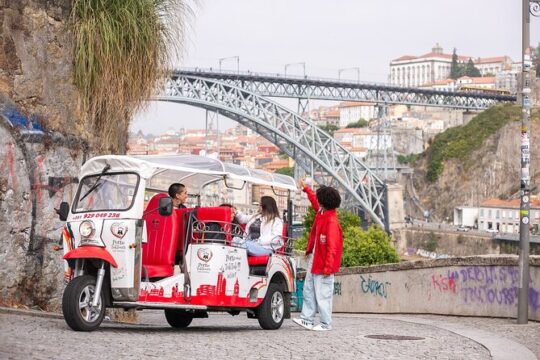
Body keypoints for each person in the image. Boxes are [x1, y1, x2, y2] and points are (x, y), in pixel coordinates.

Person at [292, 179, 343, 331]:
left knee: (323, 294)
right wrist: (306, 189)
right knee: (309, 289)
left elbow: (332, 248)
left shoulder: (331, 221)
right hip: (315, 259)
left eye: (320, 199)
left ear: (324, 202)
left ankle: (326, 324)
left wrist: (328, 268)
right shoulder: (322, 213)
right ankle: (307, 319)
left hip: (324, 264)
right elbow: (314, 200)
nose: (317, 201)